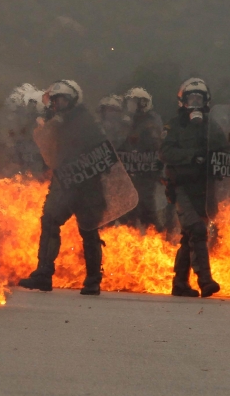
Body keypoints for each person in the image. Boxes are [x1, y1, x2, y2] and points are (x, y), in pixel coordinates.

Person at [18, 80, 106, 296]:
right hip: (65, 183)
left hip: (87, 185)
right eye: (56, 100)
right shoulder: (55, 122)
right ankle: (44, 273)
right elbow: (50, 152)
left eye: (63, 99)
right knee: (49, 220)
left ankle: (93, 280)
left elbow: (98, 152)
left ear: (74, 101)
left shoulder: (85, 122)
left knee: (88, 230)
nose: (59, 104)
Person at [159, 78, 226, 298]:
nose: (195, 102)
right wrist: (191, 156)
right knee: (197, 230)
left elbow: (225, 151)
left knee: (189, 235)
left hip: (205, 188)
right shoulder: (174, 125)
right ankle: (205, 280)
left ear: (206, 102)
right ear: (183, 101)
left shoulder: (212, 126)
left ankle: (179, 284)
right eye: (191, 98)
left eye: (199, 98)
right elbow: (165, 153)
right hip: (181, 187)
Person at [117, 87, 163, 230]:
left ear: (143, 104)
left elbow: (153, 144)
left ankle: (158, 241)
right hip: (128, 174)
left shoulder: (151, 122)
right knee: (127, 213)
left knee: (147, 211)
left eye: (134, 102)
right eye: (129, 102)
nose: (130, 106)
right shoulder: (125, 122)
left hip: (145, 174)